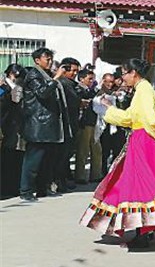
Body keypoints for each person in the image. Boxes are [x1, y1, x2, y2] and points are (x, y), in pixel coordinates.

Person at [80, 59, 155, 248]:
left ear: (134, 73)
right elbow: (131, 117)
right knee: (140, 185)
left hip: (144, 141)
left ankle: (143, 232)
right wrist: (111, 109)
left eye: (124, 73)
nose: (123, 77)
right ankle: (144, 230)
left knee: (140, 187)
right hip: (142, 139)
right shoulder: (143, 89)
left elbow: (148, 120)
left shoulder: (144, 90)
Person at [19, 48, 70, 201]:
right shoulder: (34, 75)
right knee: (33, 161)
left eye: (50, 59)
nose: (49, 61)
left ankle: (42, 188)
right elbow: (42, 93)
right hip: (38, 124)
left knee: (46, 161)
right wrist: (56, 78)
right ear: (37, 60)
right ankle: (26, 190)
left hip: (49, 124)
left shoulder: (46, 75)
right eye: (46, 59)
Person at [55, 57, 82, 192]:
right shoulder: (62, 83)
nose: (75, 74)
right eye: (73, 71)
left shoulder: (72, 84)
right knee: (62, 154)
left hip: (72, 121)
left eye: (77, 71)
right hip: (65, 123)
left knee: (68, 153)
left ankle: (64, 179)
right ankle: (59, 181)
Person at [0, 64, 26, 199]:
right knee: (7, 157)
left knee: (15, 157)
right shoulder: (3, 88)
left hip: (16, 126)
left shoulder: (19, 88)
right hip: (6, 126)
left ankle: (13, 186)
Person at [99, 72, 131, 176]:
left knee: (118, 150)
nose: (110, 84)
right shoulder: (101, 92)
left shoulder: (122, 94)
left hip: (119, 126)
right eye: (107, 82)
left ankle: (114, 172)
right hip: (106, 126)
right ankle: (104, 172)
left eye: (112, 82)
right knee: (105, 151)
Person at [74, 68, 102, 185]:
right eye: (89, 79)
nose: (92, 81)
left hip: (94, 123)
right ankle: (80, 175)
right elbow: (84, 98)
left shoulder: (92, 90)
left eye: (93, 79)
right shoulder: (78, 89)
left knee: (97, 150)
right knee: (83, 150)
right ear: (81, 79)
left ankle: (96, 174)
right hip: (84, 124)